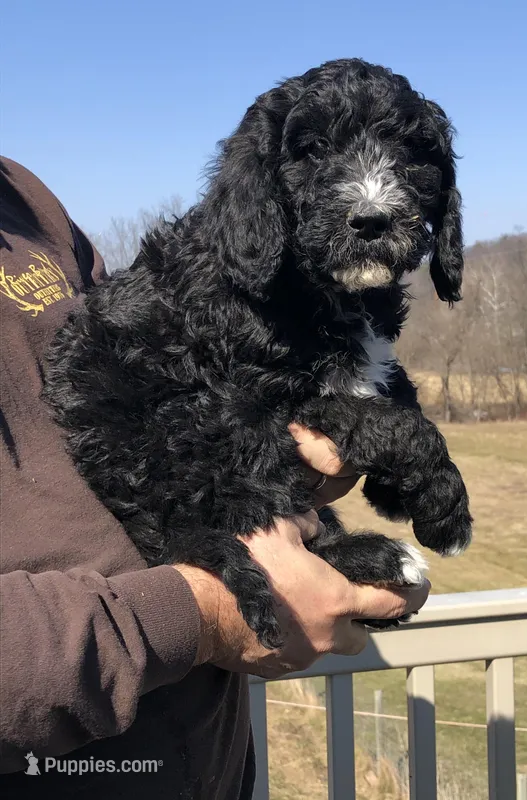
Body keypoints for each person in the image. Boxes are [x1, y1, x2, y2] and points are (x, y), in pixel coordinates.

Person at [0, 156, 430, 799]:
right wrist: (207, 612)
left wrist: (284, 459)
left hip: (208, 764)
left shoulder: (21, 196)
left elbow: (136, 397)